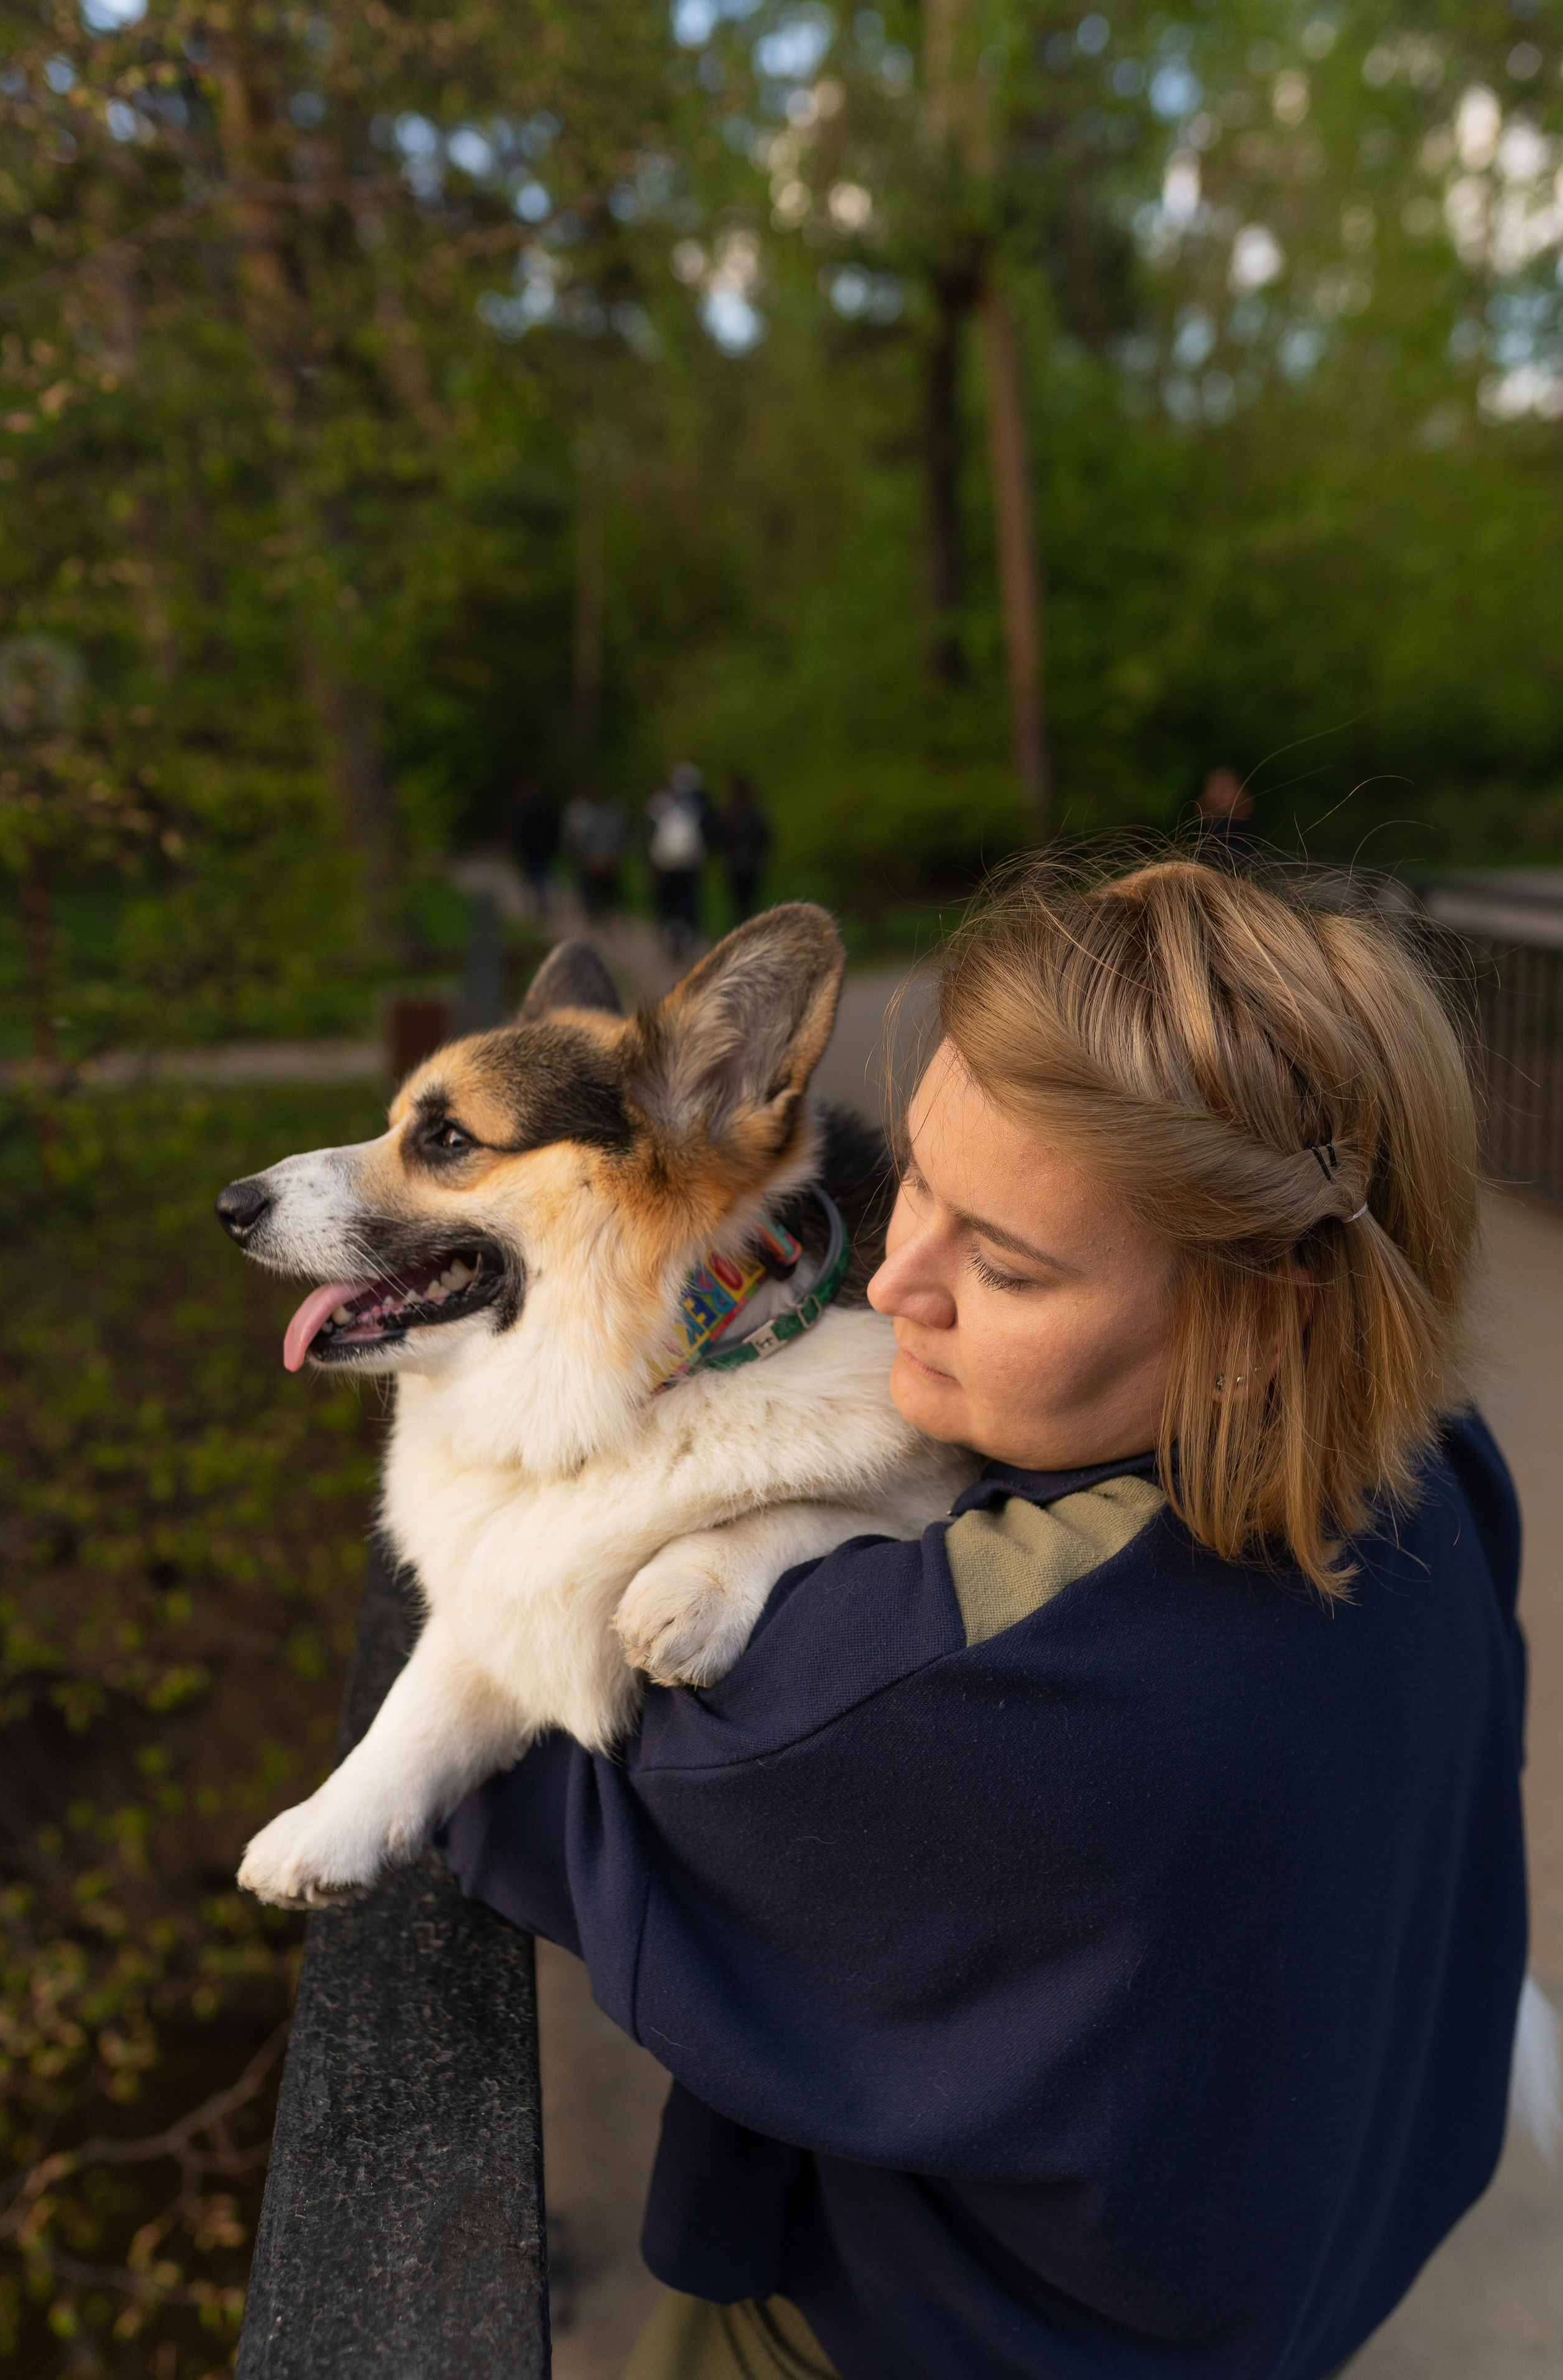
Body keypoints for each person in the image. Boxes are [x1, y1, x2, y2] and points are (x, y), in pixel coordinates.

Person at [442, 856, 1529, 2380]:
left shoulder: (977, 1671)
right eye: (913, 1187)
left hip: (938, 2342)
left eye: (1001, 1264)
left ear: (1256, 1312)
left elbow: (515, 1757)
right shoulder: (1426, 1444)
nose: (891, 1277)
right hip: (1305, 2259)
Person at [646, 762, 714, 959]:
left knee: (668, 901)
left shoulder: (657, 803)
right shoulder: (698, 805)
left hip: (664, 862)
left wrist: (649, 863)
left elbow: (649, 834)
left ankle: (670, 936)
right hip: (689, 863)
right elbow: (708, 833)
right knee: (687, 900)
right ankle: (685, 937)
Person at [563, 786, 627, 918]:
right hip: (596, 858)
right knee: (596, 887)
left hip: (598, 858)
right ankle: (597, 911)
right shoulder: (599, 814)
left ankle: (600, 910)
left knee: (598, 887)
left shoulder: (585, 814)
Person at [719, 772, 774, 925]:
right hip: (752, 863)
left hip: (735, 864)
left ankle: (741, 926)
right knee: (749, 902)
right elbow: (766, 836)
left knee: (738, 903)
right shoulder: (755, 812)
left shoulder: (729, 813)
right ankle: (748, 925)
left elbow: (721, 837)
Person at [508, 776, 560, 916]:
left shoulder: (522, 808)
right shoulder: (543, 806)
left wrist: (517, 846)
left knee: (533, 876)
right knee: (542, 874)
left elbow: (518, 830)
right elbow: (552, 827)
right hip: (541, 847)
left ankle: (537, 904)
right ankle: (543, 902)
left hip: (530, 848)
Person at [1195, 763, 1258, 865]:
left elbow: (1243, 822)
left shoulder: (1243, 802)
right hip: (1212, 859)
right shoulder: (1204, 804)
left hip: (1241, 858)